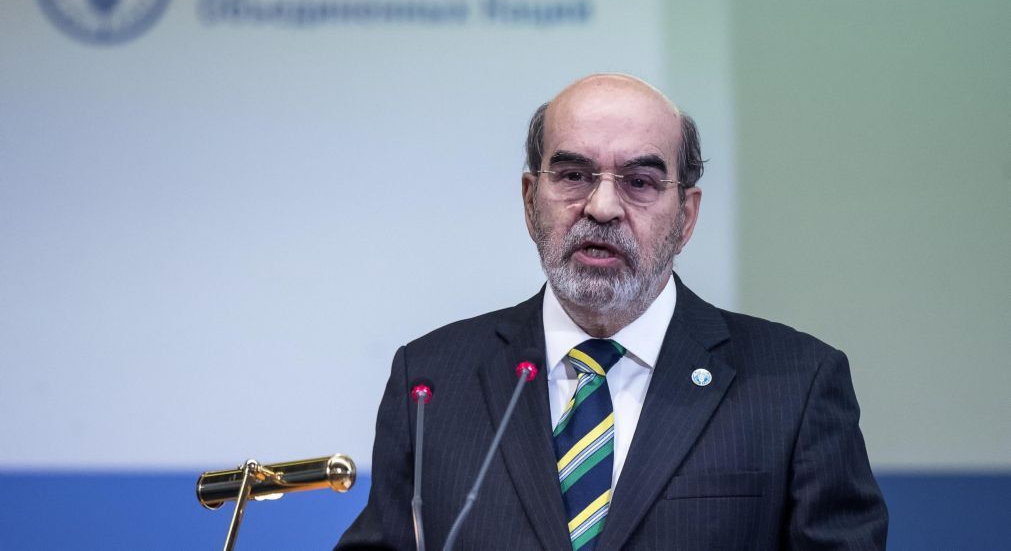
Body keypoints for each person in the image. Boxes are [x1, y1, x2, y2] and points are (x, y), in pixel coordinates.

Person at [337, 74, 888, 550]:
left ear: (686, 216)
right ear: (530, 201)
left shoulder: (796, 384)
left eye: (640, 182)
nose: (601, 208)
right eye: (573, 176)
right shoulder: (431, 380)